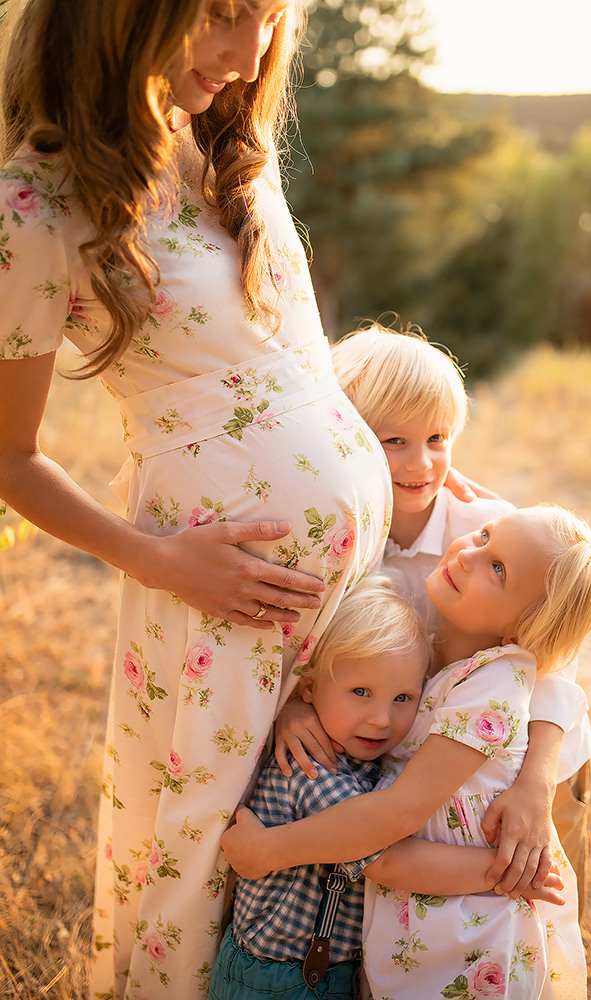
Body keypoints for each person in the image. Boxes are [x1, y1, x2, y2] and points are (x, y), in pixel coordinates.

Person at [0, 3, 396, 997]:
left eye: (267, 19)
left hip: (334, 598)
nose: (250, 53)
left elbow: (296, 362)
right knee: (199, 847)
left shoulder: (222, 147)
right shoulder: (37, 203)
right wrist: (158, 558)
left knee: (313, 828)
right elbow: (6, 452)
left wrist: (408, 470)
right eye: (223, 14)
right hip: (213, 587)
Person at [220, 505, 591, 998]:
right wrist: (297, 702)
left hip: (472, 935)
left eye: (497, 569)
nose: (468, 555)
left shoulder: (493, 688)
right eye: (483, 536)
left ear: (523, 628)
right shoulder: (435, 651)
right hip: (418, 926)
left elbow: (398, 814)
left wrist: (271, 850)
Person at [278, 323, 591, 911]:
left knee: (543, 896)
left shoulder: (484, 530)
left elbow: (556, 663)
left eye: (438, 438)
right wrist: (298, 705)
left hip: (521, 758)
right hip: (428, 770)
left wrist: (534, 784)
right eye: (392, 440)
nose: (422, 464)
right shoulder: (331, 536)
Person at [210, 575, 565, 1000]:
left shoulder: (369, 762)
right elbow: (390, 862)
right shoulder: (314, 769)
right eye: (361, 692)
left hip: (321, 969)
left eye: (402, 698)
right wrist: (505, 875)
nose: (382, 718)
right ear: (309, 689)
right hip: (280, 977)